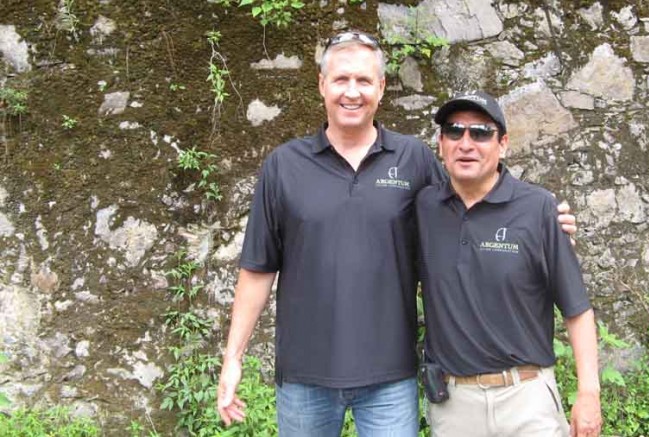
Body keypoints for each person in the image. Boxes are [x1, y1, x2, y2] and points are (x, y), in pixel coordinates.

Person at [216, 31, 578, 436]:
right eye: (341, 80)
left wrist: (543, 218)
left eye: (364, 81)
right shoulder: (284, 166)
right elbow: (258, 268)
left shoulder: (415, 159)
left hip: (390, 378)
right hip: (304, 376)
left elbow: (469, 209)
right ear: (322, 84)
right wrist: (233, 358)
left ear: (382, 88)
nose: (352, 92)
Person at [416, 91, 602, 437]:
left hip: (526, 401)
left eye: (481, 132)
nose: (466, 143)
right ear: (441, 144)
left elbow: (577, 309)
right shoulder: (424, 208)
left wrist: (589, 392)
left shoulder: (539, 210)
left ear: (503, 144)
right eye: (454, 132)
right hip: (454, 408)